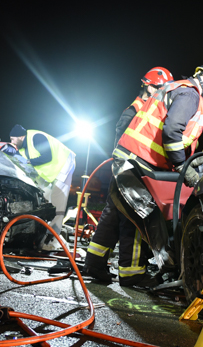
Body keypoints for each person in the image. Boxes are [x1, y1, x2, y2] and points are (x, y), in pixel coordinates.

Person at [110, 64, 203, 287]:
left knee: (147, 219)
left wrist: (192, 158)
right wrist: (184, 167)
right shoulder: (190, 94)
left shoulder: (178, 89)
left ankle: (163, 269)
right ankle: (170, 269)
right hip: (134, 163)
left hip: (136, 161)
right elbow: (172, 131)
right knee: (150, 216)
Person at [59, 67, 174, 280]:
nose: (163, 94)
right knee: (134, 220)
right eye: (160, 89)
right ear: (148, 86)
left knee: (110, 221)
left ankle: (94, 265)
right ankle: (132, 273)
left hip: (123, 174)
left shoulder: (144, 109)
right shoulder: (136, 111)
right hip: (129, 174)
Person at [8, 125, 76, 248]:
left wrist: (28, 162)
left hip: (64, 165)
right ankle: (41, 235)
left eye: (13, 139)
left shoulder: (36, 137)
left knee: (57, 203)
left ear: (21, 137)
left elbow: (47, 157)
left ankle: (52, 238)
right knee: (42, 201)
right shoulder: (22, 149)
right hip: (50, 173)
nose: (12, 142)